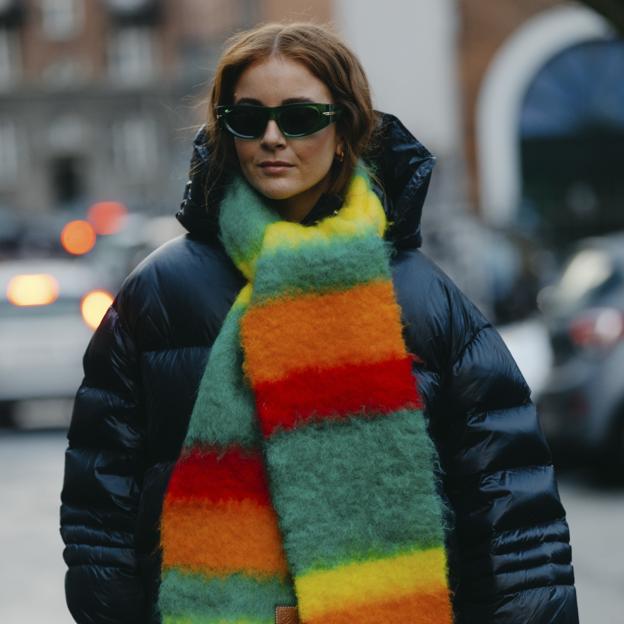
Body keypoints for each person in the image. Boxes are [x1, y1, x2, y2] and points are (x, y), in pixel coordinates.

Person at [60, 22, 579, 624]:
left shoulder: (422, 296)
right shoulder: (160, 291)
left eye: (301, 118)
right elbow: (101, 506)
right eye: (248, 119)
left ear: (346, 130)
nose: (273, 138)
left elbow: (510, 510)